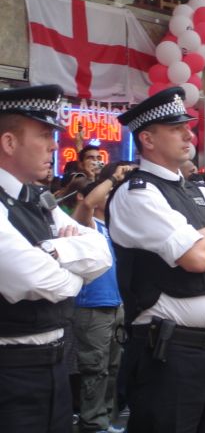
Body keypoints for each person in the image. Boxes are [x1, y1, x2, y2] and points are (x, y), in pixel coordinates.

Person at [107, 87, 205, 433]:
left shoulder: (201, 191)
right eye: (176, 129)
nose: (188, 134)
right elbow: (195, 258)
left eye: (187, 126)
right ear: (147, 138)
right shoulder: (138, 194)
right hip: (169, 354)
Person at [0, 84, 112, 433]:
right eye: (45, 135)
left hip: (54, 363)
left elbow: (100, 252)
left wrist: (52, 251)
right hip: (9, 369)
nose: (54, 145)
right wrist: (74, 271)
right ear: (9, 143)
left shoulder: (38, 198)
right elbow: (34, 280)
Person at [72, 163, 138, 433]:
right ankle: (93, 422)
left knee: (113, 367)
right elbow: (87, 203)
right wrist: (114, 178)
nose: (110, 199)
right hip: (93, 307)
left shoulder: (116, 228)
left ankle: (107, 419)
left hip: (117, 305)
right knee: (95, 368)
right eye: (108, 195)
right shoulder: (88, 226)